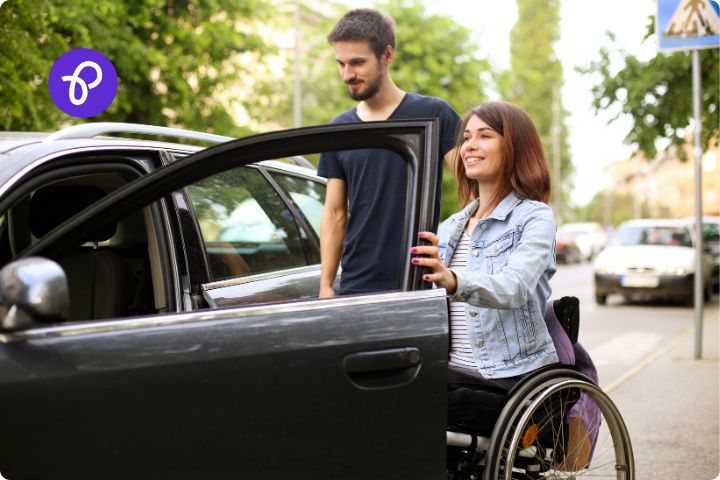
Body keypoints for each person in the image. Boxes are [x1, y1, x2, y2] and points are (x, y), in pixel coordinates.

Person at [412, 101, 559, 389]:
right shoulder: (450, 226)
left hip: (510, 375)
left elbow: (514, 288)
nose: (469, 146)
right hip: (450, 372)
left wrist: (453, 280)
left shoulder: (535, 217)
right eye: (466, 137)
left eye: (485, 136)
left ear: (514, 147)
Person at [317, 8, 461, 297]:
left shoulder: (434, 113)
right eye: (341, 64)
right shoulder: (338, 129)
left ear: (387, 55)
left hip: (420, 283)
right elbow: (334, 213)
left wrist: (458, 260)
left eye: (357, 62)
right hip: (356, 286)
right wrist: (326, 284)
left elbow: (472, 188)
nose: (348, 74)